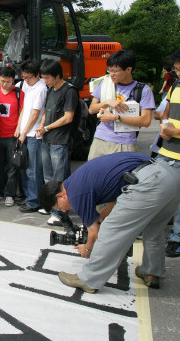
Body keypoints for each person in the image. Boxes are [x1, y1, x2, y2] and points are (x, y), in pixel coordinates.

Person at [39, 152, 180, 293]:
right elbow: (117, 195)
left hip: (150, 182)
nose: (64, 211)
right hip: (172, 176)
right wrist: (102, 215)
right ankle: (152, 272)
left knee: (109, 231)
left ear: (60, 196)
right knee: (154, 230)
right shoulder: (80, 179)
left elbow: (95, 234)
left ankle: (89, 279)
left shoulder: (75, 194)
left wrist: (88, 249)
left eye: (58, 207)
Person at [87, 50, 155, 160]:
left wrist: (116, 118)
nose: (111, 74)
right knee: (94, 175)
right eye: (109, 70)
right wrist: (107, 102)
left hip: (125, 143)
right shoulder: (105, 84)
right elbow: (91, 109)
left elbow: (146, 121)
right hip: (100, 139)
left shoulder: (143, 90)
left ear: (129, 69)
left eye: (115, 71)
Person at [35, 59, 78, 226]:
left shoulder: (69, 91)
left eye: (47, 78)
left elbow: (68, 117)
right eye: (43, 78)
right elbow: (46, 112)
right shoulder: (51, 90)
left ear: (57, 75)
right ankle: (50, 204)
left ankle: (59, 212)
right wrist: (41, 126)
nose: (45, 81)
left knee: (59, 178)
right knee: (48, 176)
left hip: (60, 139)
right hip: (47, 138)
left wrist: (47, 128)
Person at [159, 46, 180, 258]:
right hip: (166, 150)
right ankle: (156, 231)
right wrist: (164, 126)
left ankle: (178, 238)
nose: (179, 73)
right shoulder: (175, 86)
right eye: (177, 69)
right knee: (159, 193)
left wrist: (176, 131)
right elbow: (165, 113)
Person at [15, 59, 48, 213]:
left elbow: (35, 114)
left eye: (28, 77)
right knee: (26, 168)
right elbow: (24, 110)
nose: (26, 80)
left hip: (34, 135)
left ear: (37, 75)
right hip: (25, 133)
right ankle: (31, 198)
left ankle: (35, 202)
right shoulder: (29, 87)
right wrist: (19, 129)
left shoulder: (41, 88)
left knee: (34, 170)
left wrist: (24, 133)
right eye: (24, 77)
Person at [0, 67, 24, 207]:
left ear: (13, 81)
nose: (4, 84)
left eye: (8, 82)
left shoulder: (18, 93)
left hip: (12, 135)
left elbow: (22, 111)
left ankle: (10, 194)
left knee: (12, 166)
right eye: (2, 81)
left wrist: (18, 129)